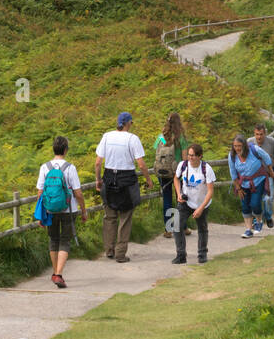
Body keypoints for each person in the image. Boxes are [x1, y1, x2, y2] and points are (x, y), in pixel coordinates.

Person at [94, 112, 153, 263]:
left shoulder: (107, 136)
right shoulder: (133, 139)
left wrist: (98, 180)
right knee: (125, 218)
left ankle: (109, 250)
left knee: (109, 217)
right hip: (126, 181)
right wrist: (148, 179)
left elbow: (98, 162)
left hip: (108, 178)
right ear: (128, 123)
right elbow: (140, 164)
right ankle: (120, 253)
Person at [37, 136, 86, 287]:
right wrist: (84, 210)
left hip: (50, 210)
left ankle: (55, 272)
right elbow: (78, 193)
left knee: (53, 240)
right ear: (66, 150)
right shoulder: (70, 168)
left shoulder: (45, 167)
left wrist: (41, 214)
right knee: (65, 240)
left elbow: (40, 192)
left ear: (54, 149)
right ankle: (58, 274)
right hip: (69, 209)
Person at [172, 143, 214, 264]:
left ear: (200, 156)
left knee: (202, 228)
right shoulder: (183, 165)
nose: (190, 158)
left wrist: (201, 208)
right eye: (189, 155)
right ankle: (181, 255)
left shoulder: (206, 169)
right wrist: (179, 193)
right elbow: (176, 178)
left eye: (193, 156)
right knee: (176, 226)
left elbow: (210, 191)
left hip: (202, 203)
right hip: (185, 201)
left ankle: (202, 254)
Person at [228, 133, 272, 238]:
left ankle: (259, 220)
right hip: (243, 184)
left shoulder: (254, 150)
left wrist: (271, 171)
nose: (237, 148)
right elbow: (233, 173)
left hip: (258, 180)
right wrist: (238, 188)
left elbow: (266, 157)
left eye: (239, 146)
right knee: (245, 206)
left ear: (244, 145)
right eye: (235, 146)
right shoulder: (232, 156)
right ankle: (248, 229)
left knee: (255, 203)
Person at [152, 113, 188, 239]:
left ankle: (168, 229)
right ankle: (182, 227)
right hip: (177, 172)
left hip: (163, 172)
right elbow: (184, 158)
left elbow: (156, 150)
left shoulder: (161, 137)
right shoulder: (181, 138)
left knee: (167, 199)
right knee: (180, 198)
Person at [250, 123, 274, 229]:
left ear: (265, 133)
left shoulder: (271, 141)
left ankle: (268, 216)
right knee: (255, 199)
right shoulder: (249, 142)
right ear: (254, 133)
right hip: (254, 176)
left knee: (268, 198)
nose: (259, 137)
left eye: (261, 134)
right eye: (257, 134)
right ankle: (256, 219)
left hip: (268, 174)